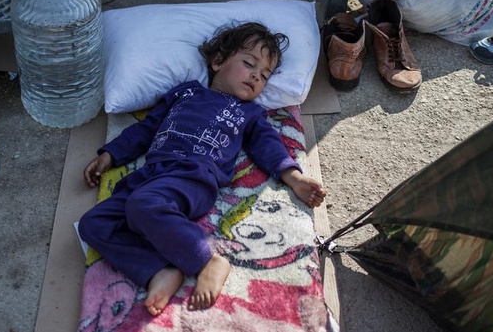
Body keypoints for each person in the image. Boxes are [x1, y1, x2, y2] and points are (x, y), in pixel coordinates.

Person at [76, 22, 326, 316]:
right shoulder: (184, 93)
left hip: (194, 176)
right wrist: (110, 155)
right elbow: (146, 129)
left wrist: (294, 178)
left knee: (143, 205)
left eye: (265, 75)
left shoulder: (248, 112)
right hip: (152, 173)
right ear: (218, 61)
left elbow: (267, 144)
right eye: (249, 64)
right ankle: (159, 269)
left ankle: (208, 261)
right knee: (93, 223)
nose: (257, 76)